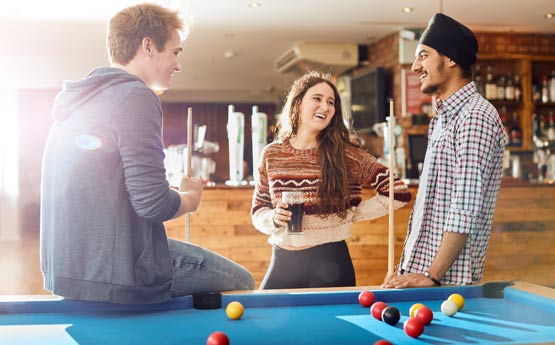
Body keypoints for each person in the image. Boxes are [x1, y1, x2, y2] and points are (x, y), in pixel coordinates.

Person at [40, 3, 254, 304]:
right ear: (148, 46)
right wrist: (190, 199)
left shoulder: (80, 100)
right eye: (176, 52)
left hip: (68, 271)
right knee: (241, 281)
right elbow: (152, 204)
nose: (178, 65)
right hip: (118, 272)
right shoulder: (135, 95)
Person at [251, 71, 412, 289]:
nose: (325, 107)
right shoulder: (272, 153)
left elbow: (398, 191)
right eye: (317, 99)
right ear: (298, 103)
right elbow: (259, 210)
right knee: (263, 317)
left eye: (331, 102)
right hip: (283, 260)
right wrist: (274, 218)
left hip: (331, 263)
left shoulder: (347, 154)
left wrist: (351, 213)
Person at [382, 13, 506, 288]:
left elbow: (465, 207)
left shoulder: (476, 116)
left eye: (423, 55)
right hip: (423, 276)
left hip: (447, 284)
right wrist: (405, 267)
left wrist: (431, 275)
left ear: (450, 58)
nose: (415, 66)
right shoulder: (441, 119)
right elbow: (429, 209)